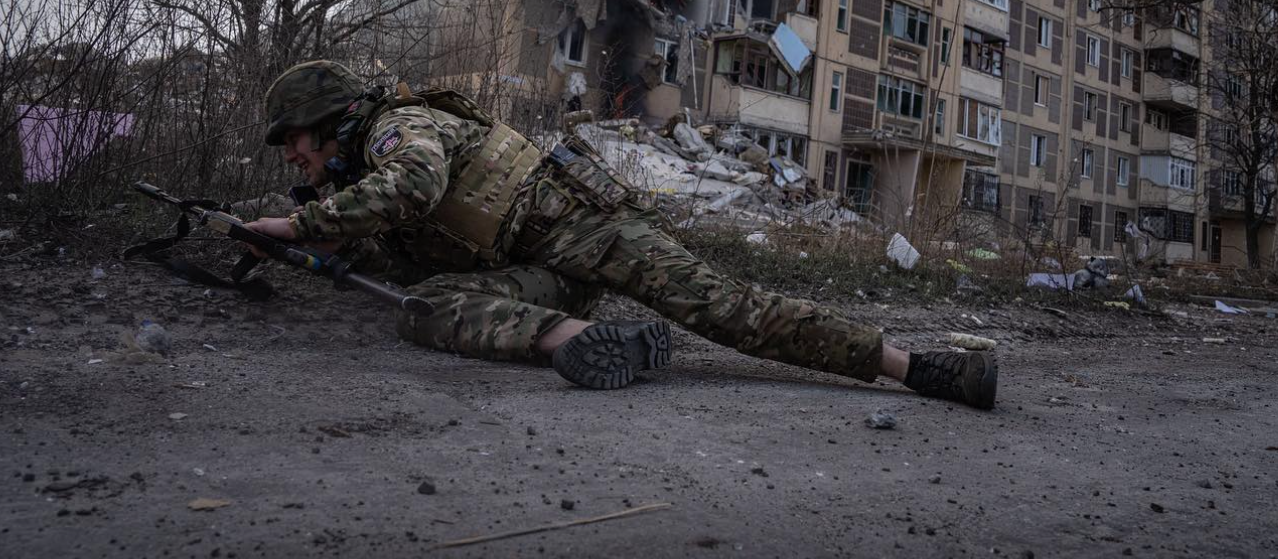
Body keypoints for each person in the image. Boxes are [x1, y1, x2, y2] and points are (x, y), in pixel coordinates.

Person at [243, 60, 998, 409]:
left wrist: (301, 222)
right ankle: (587, 341)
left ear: (331, 121)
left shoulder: (397, 128)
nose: (292, 156)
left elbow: (415, 182)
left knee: (730, 311)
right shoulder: (361, 172)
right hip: (547, 276)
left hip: (593, 232)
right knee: (424, 306)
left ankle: (920, 369)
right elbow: (416, 251)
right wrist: (323, 244)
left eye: (294, 140)